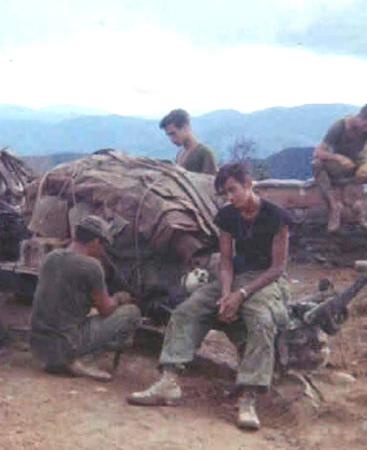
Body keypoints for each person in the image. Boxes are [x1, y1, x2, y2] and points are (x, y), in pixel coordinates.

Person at [127, 162, 292, 430]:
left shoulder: (276, 217)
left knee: (261, 320)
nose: (229, 197)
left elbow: (277, 268)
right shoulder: (228, 216)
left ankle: (249, 396)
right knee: (187, 311)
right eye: (225, 193)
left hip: (265, 279)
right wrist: (226, 293)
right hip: (233, 276)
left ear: (248, 183)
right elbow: (225, 260)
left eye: (233, 190)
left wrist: (242, 293)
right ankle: (169, 380)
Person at [30, 215, 141, 382]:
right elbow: (106, 309)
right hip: (65, 347)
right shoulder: (92, 266)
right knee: (132, 313)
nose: (103, 251)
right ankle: (83, 360)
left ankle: (68, 358)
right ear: (96, 242)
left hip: (39, 347)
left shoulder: (51, 257)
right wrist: (118, 298)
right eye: (103, 245)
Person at [312, 103, 367, 232]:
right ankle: (334, 207)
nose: (366, 130)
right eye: (365, 125)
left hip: (360, 166)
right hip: (341, 167)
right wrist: (338, 158)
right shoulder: (339, 127)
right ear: (360, 117)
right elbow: (318, 152)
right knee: (317, 164)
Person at [160, 108, 218, 174]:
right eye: (169, 135)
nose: (171, 139)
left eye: (173, 133)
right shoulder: (180, 154)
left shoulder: (204, 153)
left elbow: (212, 181)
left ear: (185, 127)